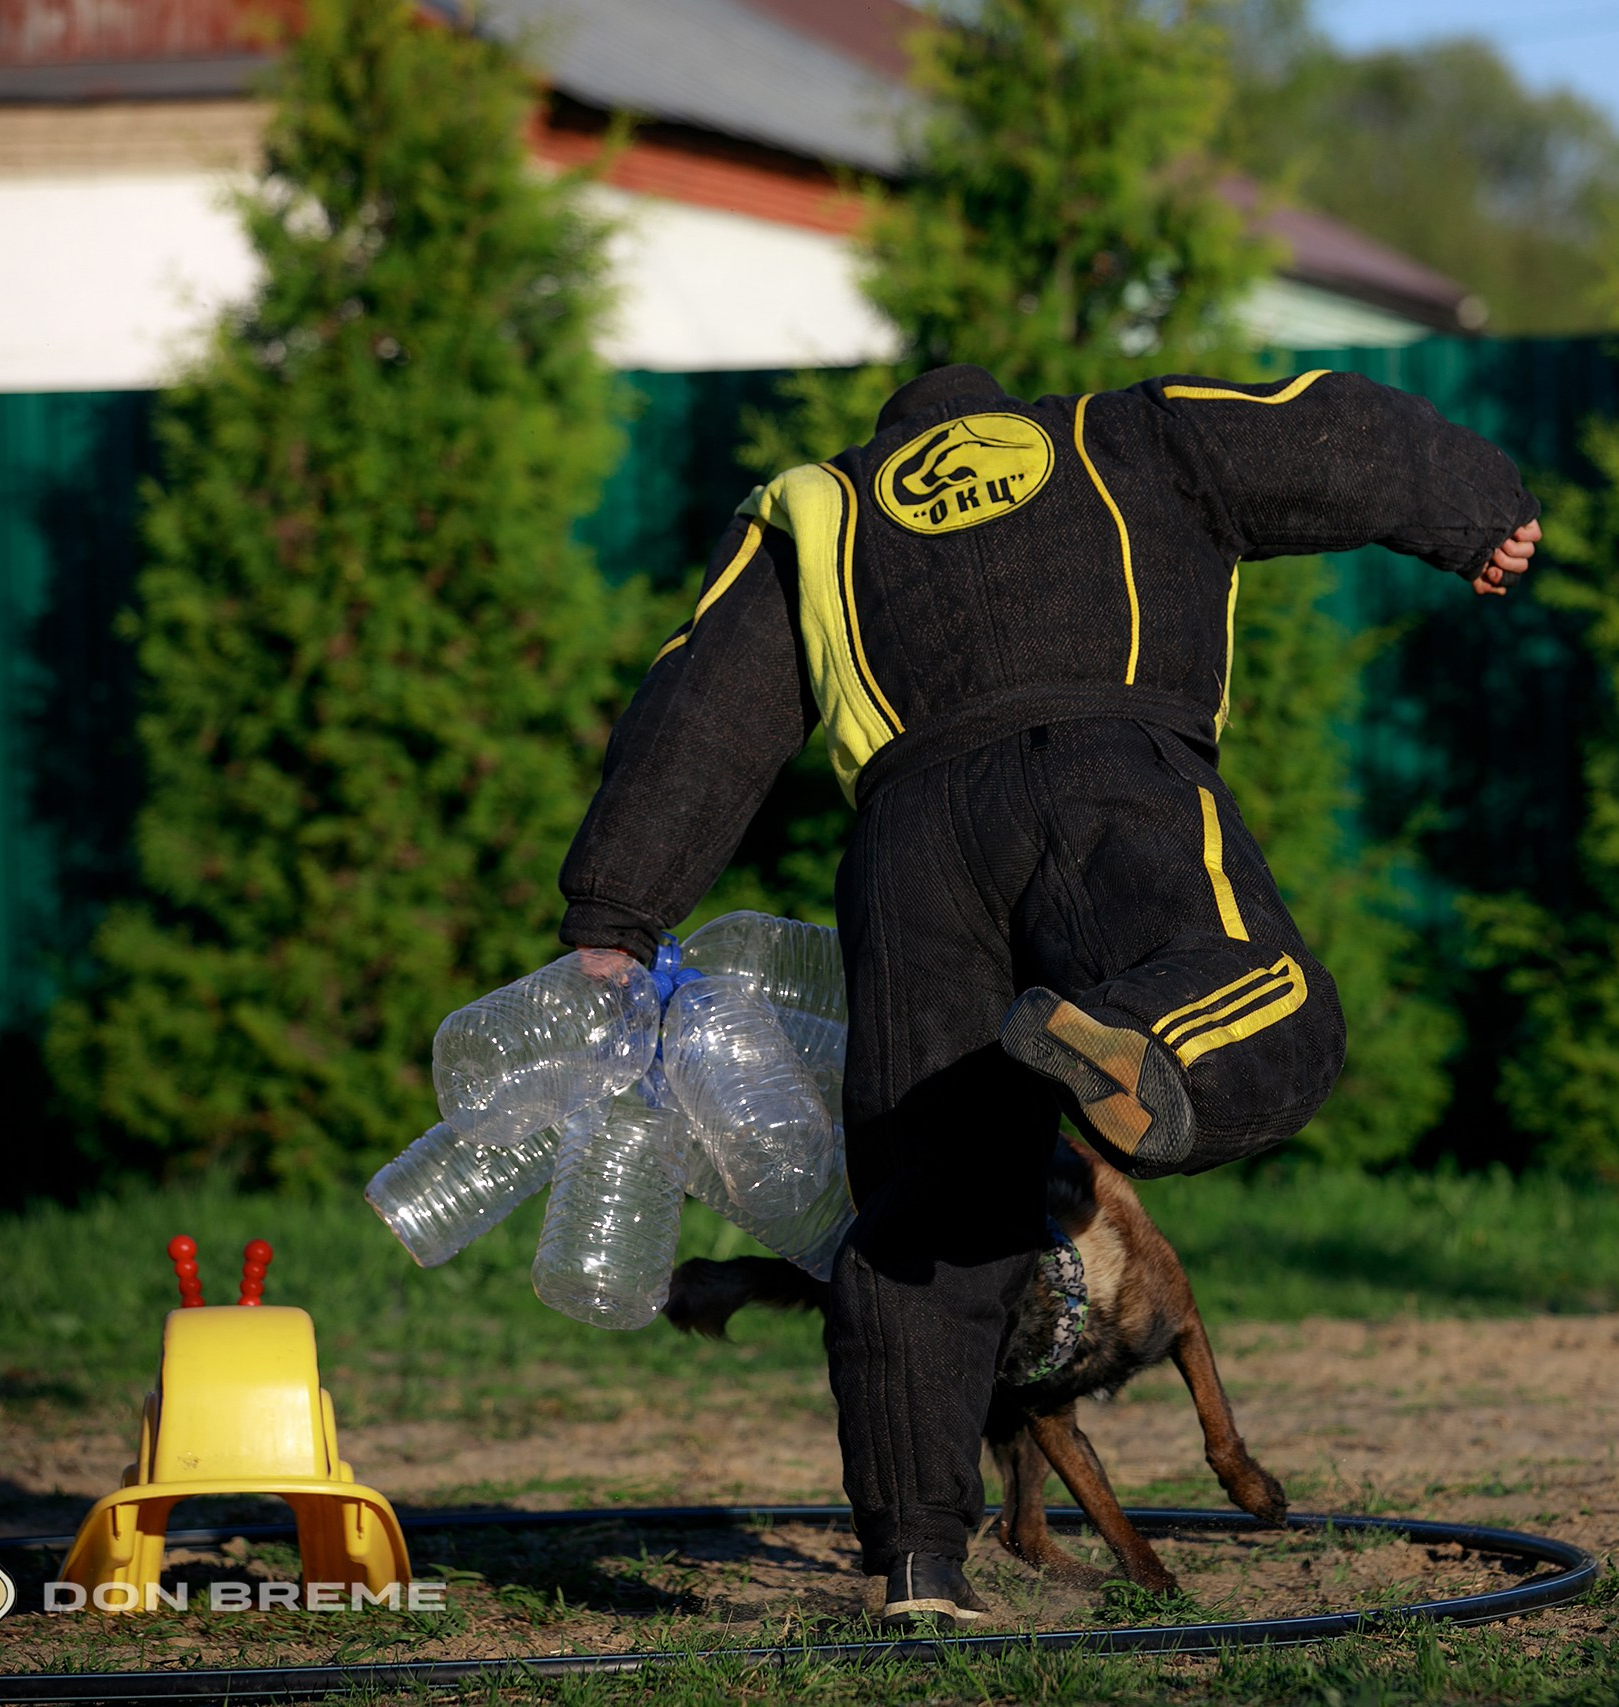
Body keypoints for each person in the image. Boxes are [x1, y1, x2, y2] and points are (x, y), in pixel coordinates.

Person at [557, 362, 1539, 1625]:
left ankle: (919, 1564)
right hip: (1114, 765)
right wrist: (1476, 510)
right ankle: (1127, 1037)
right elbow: (1320, 432)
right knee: (1266, 1001)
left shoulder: (819, 507)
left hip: (912, 849)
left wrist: (616, 909)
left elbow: (702, 697)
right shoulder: (1122, 431)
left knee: (921, 1213)